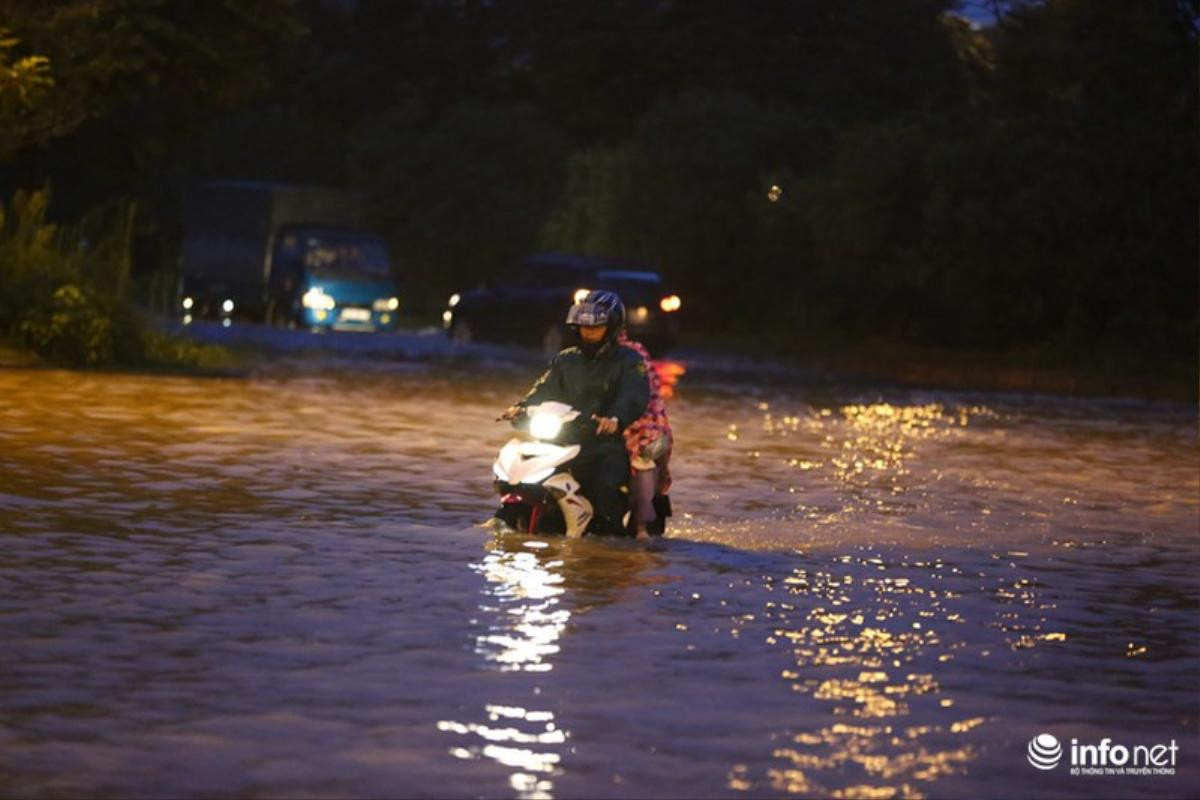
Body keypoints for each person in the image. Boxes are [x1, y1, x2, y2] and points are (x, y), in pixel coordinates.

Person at [501, 290, 650, 536]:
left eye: (596, 326)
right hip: (562, 439)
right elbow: (543, 389)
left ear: (611, 327)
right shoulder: (565, 360)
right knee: (522, 476)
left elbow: (633, 395)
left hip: (604, 444)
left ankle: (611, 541)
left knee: (605, 490)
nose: (588, 331)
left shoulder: (629, 360)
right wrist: (521, 407)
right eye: (583, 326)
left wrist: (614, 419)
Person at [616, 329, 673, 539]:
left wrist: (618, 415)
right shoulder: (574, 356)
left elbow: (643, 393)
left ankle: (641, 525)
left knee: (646, 451)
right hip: (593, 421)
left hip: (641, 421)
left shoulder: (633, 353)